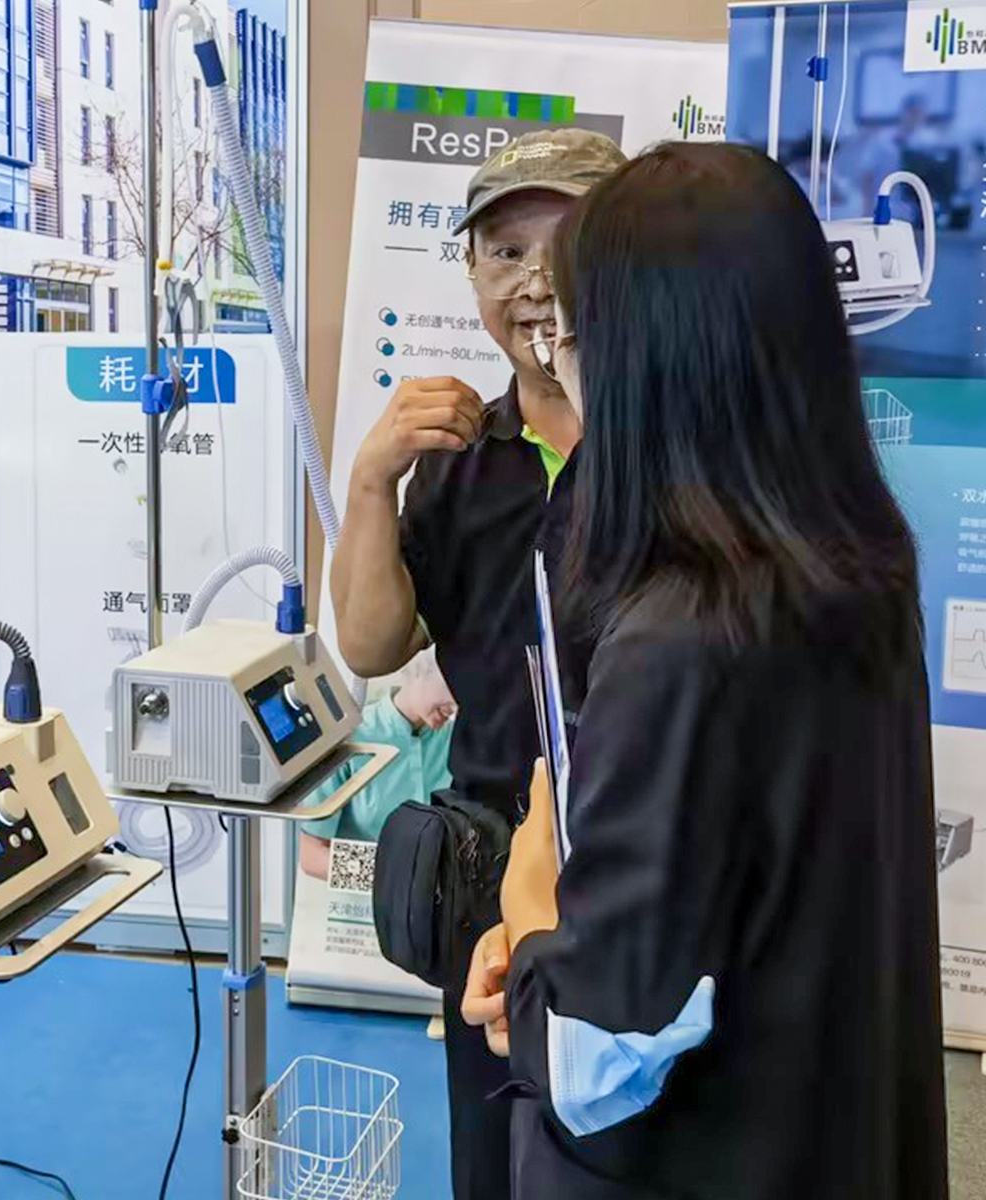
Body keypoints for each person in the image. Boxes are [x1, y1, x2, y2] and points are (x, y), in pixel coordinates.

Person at [461, 141, 948, 1198]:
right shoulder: (856, 568)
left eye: (571, 335)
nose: (559, 362)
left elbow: (593, 1061)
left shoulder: (680, 644)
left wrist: (531, 899)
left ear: (640, 362)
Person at [330, 127, 626, 1200]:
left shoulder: (673, 450)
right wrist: (373, 478)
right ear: (469, 271)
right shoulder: (460, 464)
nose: (534, 280)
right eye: (504, 252)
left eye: (569, 246)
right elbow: (373, 643)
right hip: (495, 875)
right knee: (496, 1150)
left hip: (644, 858)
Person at [297, 654, 456, 881]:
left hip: (438, 898)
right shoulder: (350, 739)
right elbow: (311, 856)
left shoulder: (456, 741)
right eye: (452, 684)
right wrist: (391, 877)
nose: (455, 705)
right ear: (420, 671)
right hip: (362, 897)